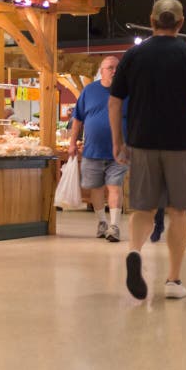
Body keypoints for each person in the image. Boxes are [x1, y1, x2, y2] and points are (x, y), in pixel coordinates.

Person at [109, 0, 186, 300]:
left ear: (151, 20)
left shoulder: (134, 55)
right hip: (182, 144)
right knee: (178, 212)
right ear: (181, 23)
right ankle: (173, 281)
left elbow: (114, 100)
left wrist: (117, 141)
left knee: (143, 208)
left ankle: (135, 251)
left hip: (142, 142)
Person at [68, 57, 127, 243]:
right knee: (96, 189)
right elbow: (77, 119)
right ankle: (102, 222)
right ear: (102, 71)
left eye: (118, 68)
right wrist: (72, 143)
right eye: (110, 68)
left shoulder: (128, 92)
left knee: (115, 187)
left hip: (119, 153)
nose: (115, 71)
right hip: (92, 151)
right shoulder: (89, 91)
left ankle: (114, 226)